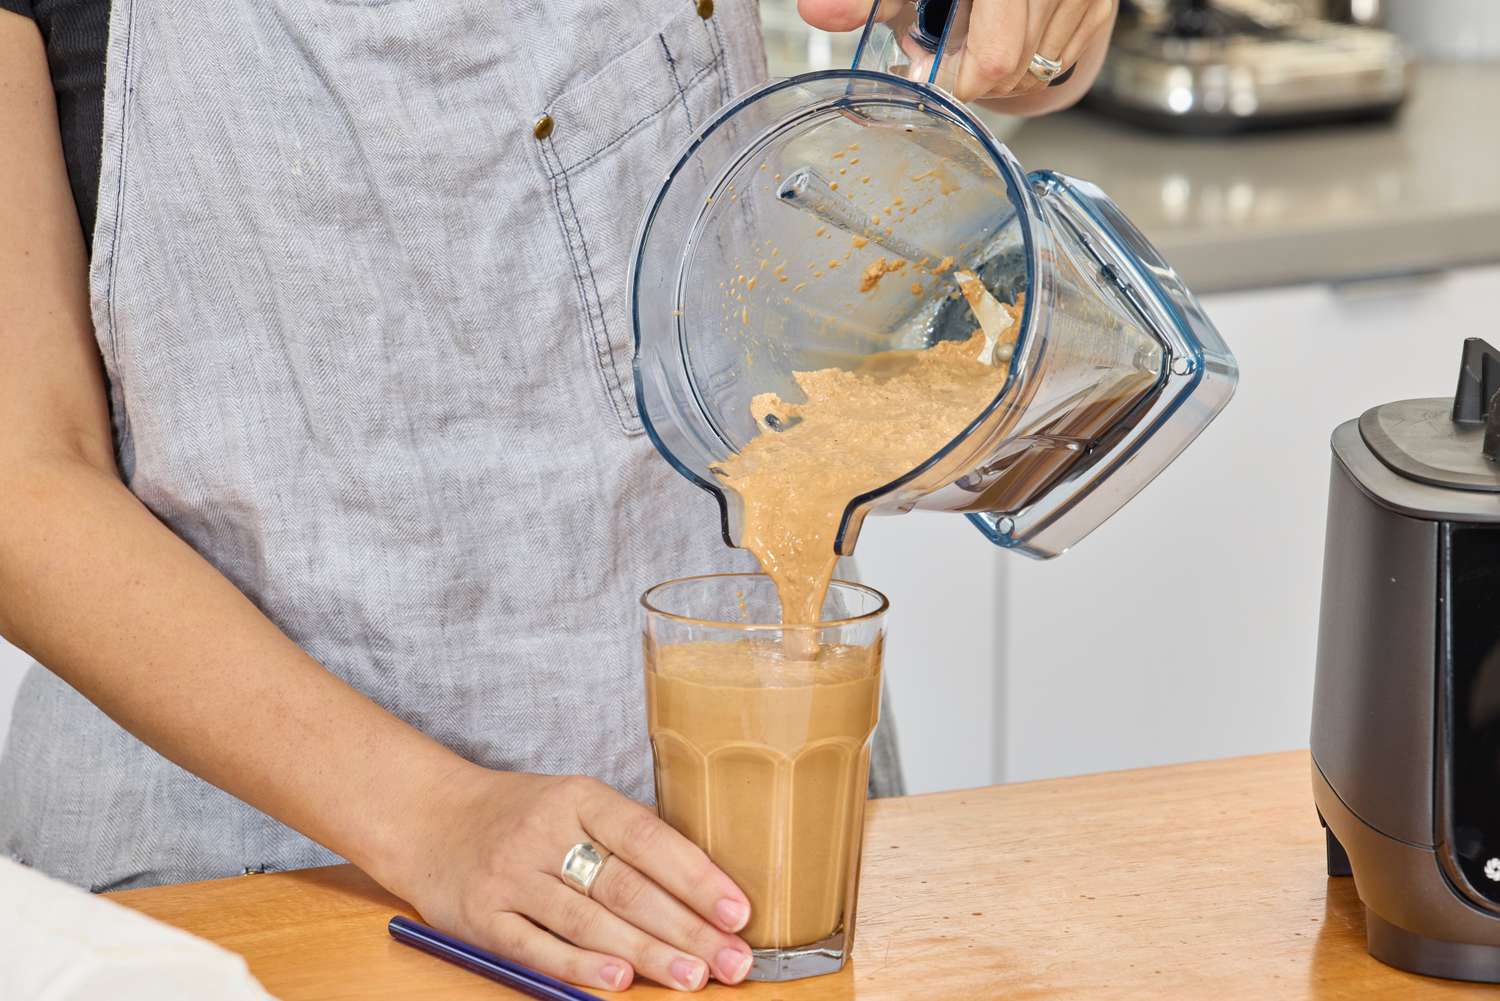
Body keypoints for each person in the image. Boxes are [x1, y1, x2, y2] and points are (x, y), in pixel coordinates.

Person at [0, 0, 1114, 991]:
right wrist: (431, 816)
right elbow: (21, 476)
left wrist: (1030, 30)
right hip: (245, 885)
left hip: (750, 871)